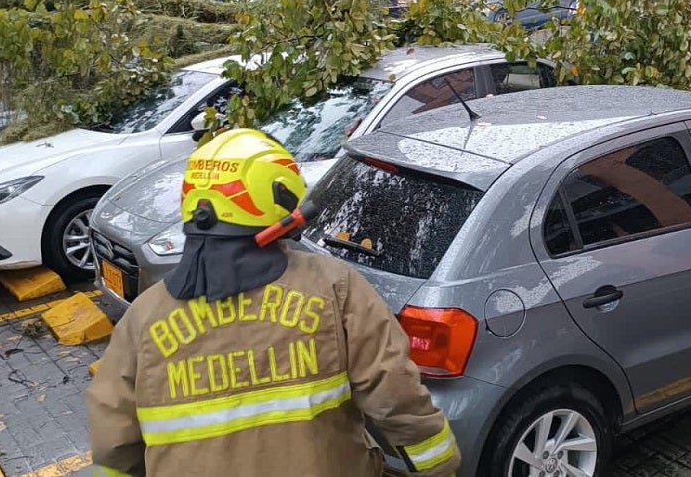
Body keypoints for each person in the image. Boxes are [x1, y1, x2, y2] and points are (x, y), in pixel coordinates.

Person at [88, 129, 461, 477]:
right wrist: (437, 463)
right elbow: (394, 395)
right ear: (276, 199)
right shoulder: (333, 286)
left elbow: (113, 443)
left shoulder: (144, 316)